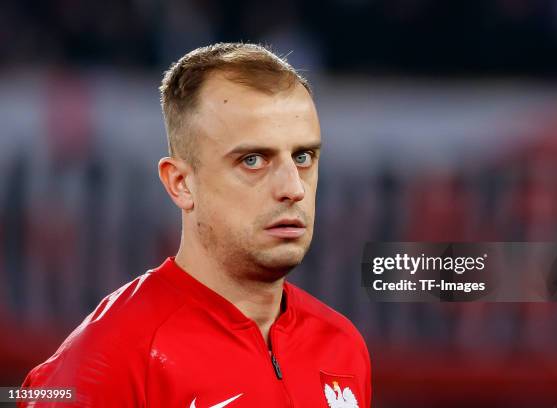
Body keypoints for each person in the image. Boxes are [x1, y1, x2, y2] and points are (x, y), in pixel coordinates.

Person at [18, 43, 371, 407]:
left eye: (303, 157)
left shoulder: (343, 347)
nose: (293, 188)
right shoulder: (112, 356)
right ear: (181, 184)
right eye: (253, 159)